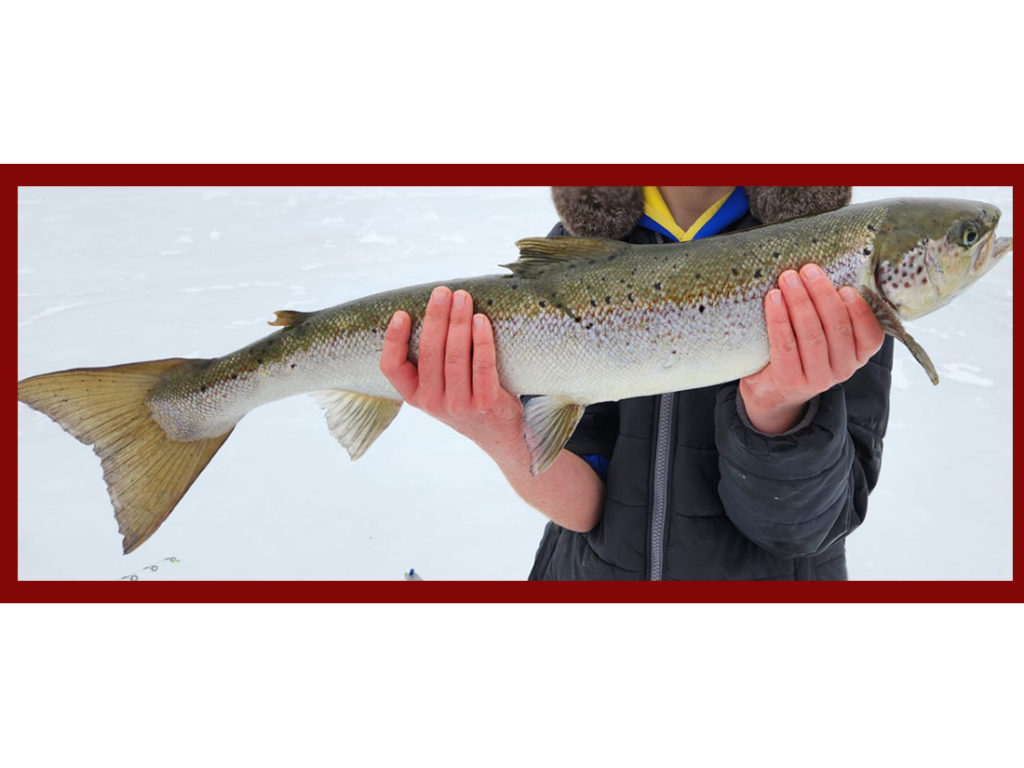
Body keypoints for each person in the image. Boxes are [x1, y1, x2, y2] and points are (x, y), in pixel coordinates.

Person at [379, 186, 893, 580]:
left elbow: (811, 529)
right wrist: (497, 429)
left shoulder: (831, 268)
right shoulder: (577, 250)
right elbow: (584, 509)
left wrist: (779, 410)